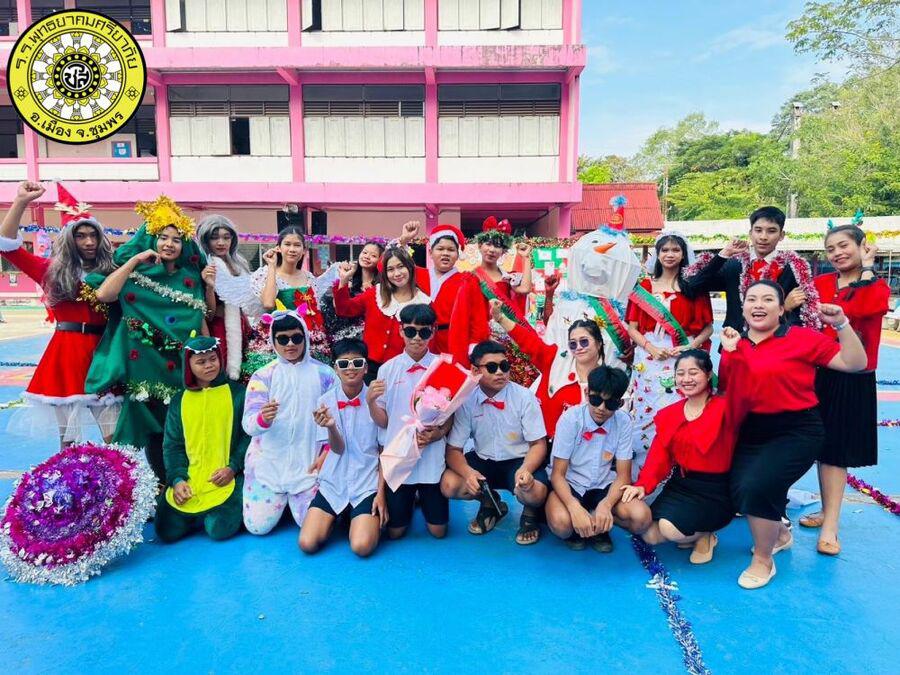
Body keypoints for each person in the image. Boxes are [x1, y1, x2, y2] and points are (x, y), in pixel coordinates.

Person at [719, 280, 866, 589]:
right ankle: (780, 535)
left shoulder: (801, 338)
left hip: (796, 430)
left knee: (758, 486)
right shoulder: (735, 344)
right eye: (752, 299)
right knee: (740, 489)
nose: (759, 305)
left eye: (767, 299)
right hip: (752, 430)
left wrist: (841, 324)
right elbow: (730, 390)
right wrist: (729, 353)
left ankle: (763, 560)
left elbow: (855, 363)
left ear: (780, 308)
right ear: (743, 308)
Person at [84, 196, 208, 481]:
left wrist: (208, 356)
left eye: (176, 239)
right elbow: (105, 294)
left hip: (180, 366)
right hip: (144, 368)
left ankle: (181, 482)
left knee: (182, 429)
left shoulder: (191, 278)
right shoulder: (136, 273)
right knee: (153, 432)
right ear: (152, 239)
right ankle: (157, 484)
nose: (169, 244)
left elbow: (200, 317)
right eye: (163, 237)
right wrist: (135, 260)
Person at [0, 181, 118, 445]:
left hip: (104, 353)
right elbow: (7, 246)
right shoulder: (49, 270)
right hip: (66, 354)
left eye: (93, 235)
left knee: (114, 435)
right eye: (80, 235)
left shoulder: (113, 270)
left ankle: (119, 474)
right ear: (69, 239)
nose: (89, 241)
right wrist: (21, 202)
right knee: (69, 438)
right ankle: (69, 474)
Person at [800, 224, 889, 555]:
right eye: (831, 249)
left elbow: (862, 308)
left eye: (843, 246)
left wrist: (867, 270)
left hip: (853, 374)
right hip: (820, 370)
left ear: (862, 246)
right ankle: (828, 511)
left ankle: (831, 526)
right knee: (820, 445)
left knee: (836, 450)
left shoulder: (876, 286)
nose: (837, 253)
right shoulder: (821, 283)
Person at [621, 350, 745, 564]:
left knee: (670, 529)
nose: (686, 379)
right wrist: (643, 485)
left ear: (708, 375)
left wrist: (730, 353)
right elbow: (659, 456)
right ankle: (696, 533)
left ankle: (705, 534)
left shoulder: (725, 408)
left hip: (716, 489)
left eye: (693, 373)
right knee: (650, 535)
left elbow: (738, 385)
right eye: (680, 373)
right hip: (682, 484)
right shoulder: (670, 414)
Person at [441, 340, 549, 545]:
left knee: (535, 493)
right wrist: (469, 473)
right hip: (483, 460)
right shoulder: (467, 400)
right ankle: (490, 503)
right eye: (492, 367)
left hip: (519, 460)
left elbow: (538, 444)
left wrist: (526, 469)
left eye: (504, 366)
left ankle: (530, 513)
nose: (500, 372)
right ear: (475, 370)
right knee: (449, 484)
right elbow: (453, 448)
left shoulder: (524, 397)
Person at [241, 310, 338, 535]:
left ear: (305, 337)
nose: (290, 344)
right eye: (283, 339)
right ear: (273, 341)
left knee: (312, 529)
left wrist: (325, 453)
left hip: (310, 466)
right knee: (257, 527)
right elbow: (248, 425)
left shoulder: (325, 375)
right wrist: (263, 419)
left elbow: (338, 422)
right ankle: (279, 502)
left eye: (296, 337)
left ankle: (293, 504)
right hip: (267, 466)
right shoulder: (262, 376)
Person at [626, 232, 713, 475]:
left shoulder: (693, 288)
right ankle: (644, 469)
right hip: (649, 357)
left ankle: (680, 468)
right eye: (665, 250)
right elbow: (632, 328)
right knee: (646, 411)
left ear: (684, 254)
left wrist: (689, 347)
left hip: (682, 356)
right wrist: (651, 348)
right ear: (657, 254)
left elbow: (708, 328)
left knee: (681, 407)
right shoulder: (644, 288)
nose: (670, 254)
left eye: (676, 250)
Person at [367, 303, 450, 540]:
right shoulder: (387, 369)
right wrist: (371, 402)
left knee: (438, 532)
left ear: (433, 332)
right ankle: (409, 501)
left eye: (424, 332)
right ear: (401, 330)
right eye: (411, 331)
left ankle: (423, 498)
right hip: (399, 459)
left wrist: (438, 433)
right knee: (395, 532)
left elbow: (452, 413)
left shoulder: (442, 367)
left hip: (430, 457)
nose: (417, 338)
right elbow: (383, 422)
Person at [299, 338, 388, 557]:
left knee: (362, 546)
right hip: (334, 483)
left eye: (357, 363)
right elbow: (337, 449)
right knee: (307, 543)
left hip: (366, 483)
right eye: (343, 363)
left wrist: (381, 494)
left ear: (365, 367)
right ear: (335, 368)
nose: (350, 368)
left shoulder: (379, 400)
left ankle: (354, 518)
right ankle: (342, 516)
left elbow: (384, 452)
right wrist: (330, 426)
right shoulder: (325, 401)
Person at [155, 336, 248, 543]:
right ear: (188, 366)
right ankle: (194, 514)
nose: (209, 365)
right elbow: (173, 446)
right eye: (201, 362)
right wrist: (177, 480)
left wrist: (232, 467)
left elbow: (248, 437)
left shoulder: (238, 394)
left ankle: (210, 514)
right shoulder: (179, 401)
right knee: (165, 530)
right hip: (191, 478)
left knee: (218, 529)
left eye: (213, 359)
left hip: (227, 478)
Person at [545, 366, 649, 552]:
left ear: (620, 403)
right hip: (571, 484)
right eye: (596, 400)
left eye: (610, 404)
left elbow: (623, 476)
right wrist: (573, 506)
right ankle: (586, 522)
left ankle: (596, 519)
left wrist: (606, 504)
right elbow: (558, 475)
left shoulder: (623, 421)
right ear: (586, 393)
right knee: (562, 525)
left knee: (642, 518)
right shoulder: (570, 419)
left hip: (603, 484)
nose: (601, 408)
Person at [686, 206, 819, 330]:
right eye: (758, 230)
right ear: (750, 233)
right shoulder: (734, 265)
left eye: (771, 231)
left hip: (776, 342)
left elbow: (803, 317)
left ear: (781, 235)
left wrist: (784, 309)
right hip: (734, 341)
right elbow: (693, 286)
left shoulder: (794, 268)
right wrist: (724, 254)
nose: (763, 237)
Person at [489, 299, 605, 440]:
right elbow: (529, 341)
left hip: (582, 448)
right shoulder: (556, 359)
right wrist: (500, 318)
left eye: (584, 341)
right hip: (539, 442)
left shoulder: (608, 379)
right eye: (573, 344)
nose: (579, 347)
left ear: (599, 343)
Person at [334, 246, 432, 382]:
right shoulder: (376, 293)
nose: (397, 273)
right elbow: (345, 309)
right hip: (370, 369)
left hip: (404, 370)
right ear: (384, 273)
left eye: (401, 267)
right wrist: (344, 280)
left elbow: (428, 338)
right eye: (390, 269)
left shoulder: (423, 301)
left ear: (410, 267)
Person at [448, 216, 533, 367]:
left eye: (497, 246)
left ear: (503, 251)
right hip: (482, 341)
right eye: (488, 244)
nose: (492, 250)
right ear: (480, 246)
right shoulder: (471, 278)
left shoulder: (507, 277)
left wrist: (526, 258)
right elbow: (462, 316)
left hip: (507, 338)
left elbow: (525, 289)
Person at [250, 226, 331, 363]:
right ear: (278, 248)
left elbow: (315, 310)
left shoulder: (309, 278)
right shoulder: (265, 274)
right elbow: (268, 303)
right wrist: (271, 266)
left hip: (305, 340)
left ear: (304, 250)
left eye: (297, 245)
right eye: (287, 244)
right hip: (278, 340)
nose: (292, 249)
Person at [196, 214, 262, 380]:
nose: (221, 243)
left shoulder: (240, 264)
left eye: (226, 237)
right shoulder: (203, 265)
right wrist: (210, 287)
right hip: (218, 330)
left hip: (243, 327)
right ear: (205, 240)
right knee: (222, 376)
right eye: (215, 238)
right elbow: (208, 314)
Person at [319, 241, 384, 344]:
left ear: (380, 261)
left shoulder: (380, 287)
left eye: (373, 255)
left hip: (369, 340)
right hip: (343, 340)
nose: (367, 257)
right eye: (365, 252)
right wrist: (344, 280)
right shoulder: (348, 281)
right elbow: (337, 307)